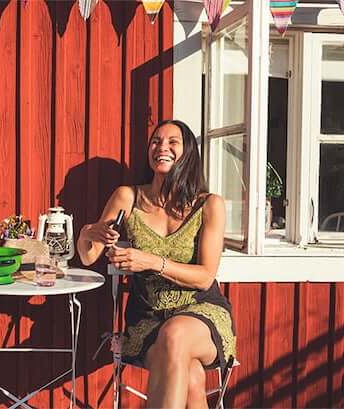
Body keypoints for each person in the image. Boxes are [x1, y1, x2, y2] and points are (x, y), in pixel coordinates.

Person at [77, 119, 236, 408]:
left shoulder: (209, 204)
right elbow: (89, 255)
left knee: (176, 334)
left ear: (188, 152)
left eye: (172, 142)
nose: (162, 147)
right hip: (148, 319)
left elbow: (204, 277)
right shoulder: (128, 196)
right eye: (156, 141)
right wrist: (88, 232)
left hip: (202, 313)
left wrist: (150, 261)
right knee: (192, 378)